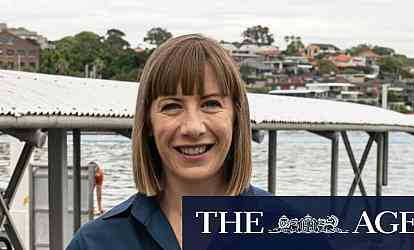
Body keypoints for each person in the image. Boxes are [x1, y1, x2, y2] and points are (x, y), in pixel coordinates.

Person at [67, 34, 269, 250]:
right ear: (148, 122)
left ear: (236, 117)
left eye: (211, 104)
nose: (193, 127)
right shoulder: (96, 243)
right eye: (172, 106)